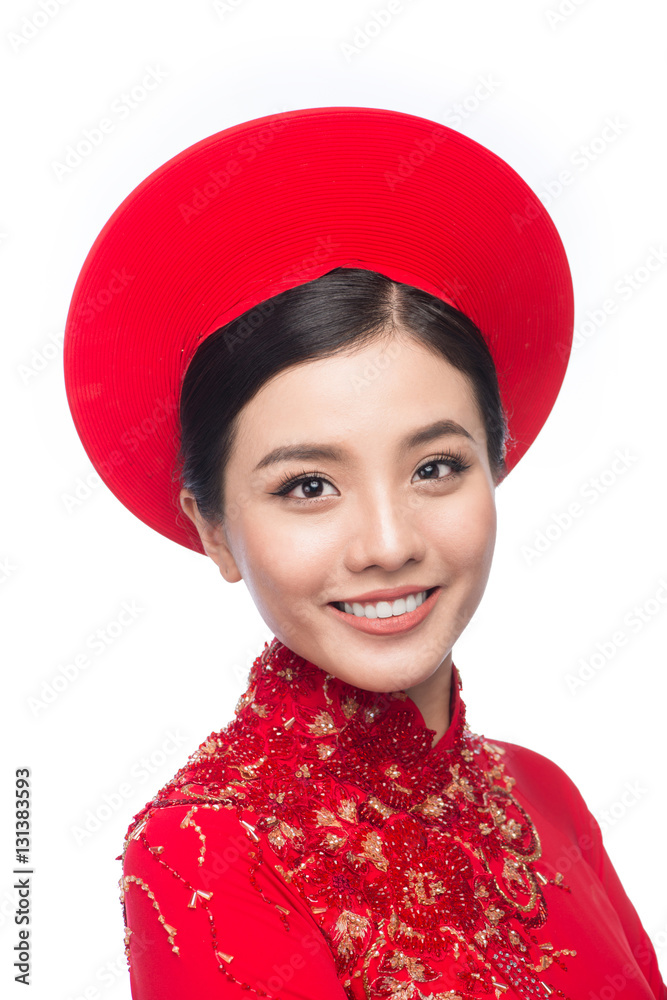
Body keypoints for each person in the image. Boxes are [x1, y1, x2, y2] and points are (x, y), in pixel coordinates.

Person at [63, 107, 666, 999]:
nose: (388, 544)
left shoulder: (544, 796)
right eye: (307, 486)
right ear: (214, 530)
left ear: (492, 469)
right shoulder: (209, 848)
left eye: (434, 467)